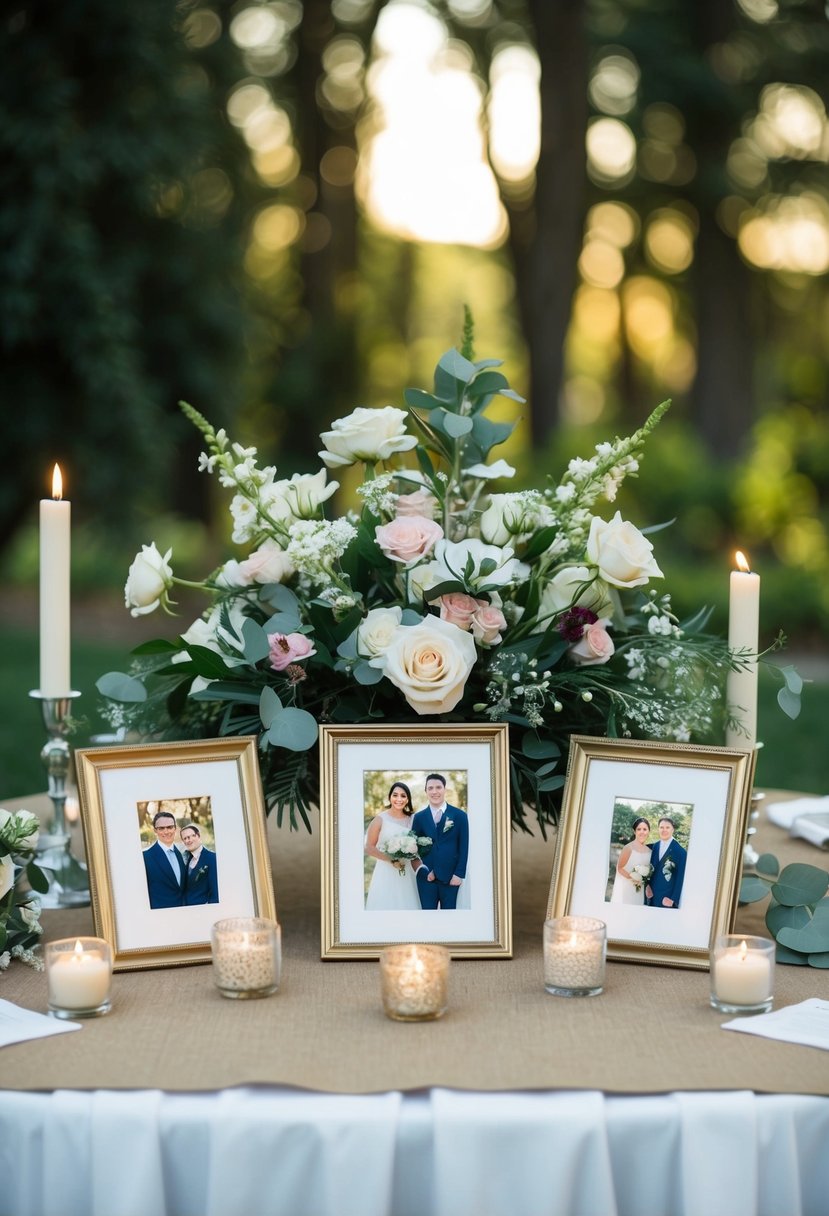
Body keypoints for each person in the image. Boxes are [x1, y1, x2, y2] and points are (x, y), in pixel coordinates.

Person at [412, 774, 469, 910]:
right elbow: (413, 848)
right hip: (426, 879)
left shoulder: (459, 816)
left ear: (445, 789)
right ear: (426, 791)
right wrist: (424, 872)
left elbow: (464, 846)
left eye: (438, 787)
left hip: (451, 877)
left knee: (449, 918)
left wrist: (459, 874)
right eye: (430, 788)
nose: (434, 791)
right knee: (427, 917)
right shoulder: (419, 817)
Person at [364, 782, 421, 911]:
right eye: (395, 795)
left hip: (407, 872)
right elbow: (369, 847)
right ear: (390, 797)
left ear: (408, 800)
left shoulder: (413, 819)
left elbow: (418, 845)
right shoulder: (380, 819)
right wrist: (391, 860)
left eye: (403, 796)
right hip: (385, 871)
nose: (399, 799)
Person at [142, 809, 186, 909]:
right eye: (161, 828)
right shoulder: (146, 857)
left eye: (170, 827)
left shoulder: (179, 854)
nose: (166, 831)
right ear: (155, 831)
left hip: (184, 912)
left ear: (175, 828)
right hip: (160, 916)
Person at [645, 816, 687, 909]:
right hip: (651, 896)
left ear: (673, 829)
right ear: (658, 829)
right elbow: (649, 869)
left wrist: (673, 899)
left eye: (667, 827)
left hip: (666, 898)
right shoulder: (655, 846)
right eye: (661, 827)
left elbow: (681, 877)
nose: (664, 830)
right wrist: (647, 886)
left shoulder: (680, 852)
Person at [610, 817, 652, 905]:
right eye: (639, 829)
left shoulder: (650, 851)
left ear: (648, 831)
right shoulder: (628, 848)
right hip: (627, 888)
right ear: (634, 831)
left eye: (645, 829)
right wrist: (633, 878)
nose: (642, 832)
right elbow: (620, 868)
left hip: (640, 891)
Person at [180, 823, 219, 905]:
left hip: (203, 911)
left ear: (198, 836)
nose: (188, 840)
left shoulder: (212, 858)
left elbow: (215, 891)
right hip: (186, 910)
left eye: (191, 836)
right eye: (185, 838)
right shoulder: (185, 859)